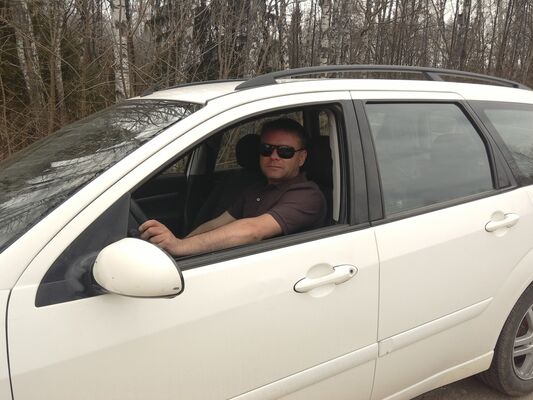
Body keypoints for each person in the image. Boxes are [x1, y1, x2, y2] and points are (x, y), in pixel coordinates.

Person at [139, 118, 326, 256]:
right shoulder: (255, 189)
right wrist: (182, 245)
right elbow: (217, 224)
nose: (274, 156)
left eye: (285, 151)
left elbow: (253, 230)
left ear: (301, 158)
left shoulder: (307, 195)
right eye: (266, 149)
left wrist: (179, 246)